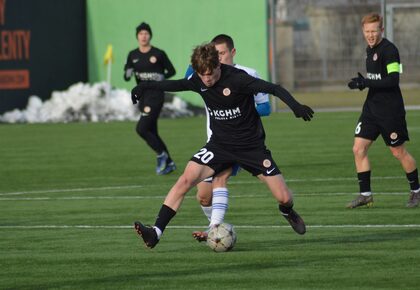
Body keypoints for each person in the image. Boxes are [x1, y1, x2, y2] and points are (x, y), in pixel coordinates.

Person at [132, 42, 314, 249]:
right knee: (185, 179)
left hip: (251, 148)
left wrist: (295, 106)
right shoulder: (198, 79)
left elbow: (274, 88)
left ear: (218, 65)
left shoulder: (238, 79)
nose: (207, 79)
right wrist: (143, 86)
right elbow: (173, 84)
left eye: (210, 73)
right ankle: (155, 232)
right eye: (202, 74)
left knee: (284, 197)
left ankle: (287, 211)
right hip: (219, 146)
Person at [185, 34, 272, 242]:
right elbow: (189, 74)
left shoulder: (248, 74)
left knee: (219, 178)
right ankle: (213, 228)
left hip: (241, 141)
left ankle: (213, 230)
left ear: (232, 52)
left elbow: (266, 107)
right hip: (215, 142)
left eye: (222, 53)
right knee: (203, 195)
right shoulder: (208, 76)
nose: (219, 57)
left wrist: (241, 113)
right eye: (215, 54)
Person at [346, 13, 420, 208]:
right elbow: (375, 79)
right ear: (363, 31)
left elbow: (393, 79)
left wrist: (366, 82)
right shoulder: (368, 50)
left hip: (390, 110)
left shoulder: (390, 50)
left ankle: (416, 191)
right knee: (358, 149)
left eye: (374, 31)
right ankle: (365, 194)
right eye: (367, 31)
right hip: (371, 109)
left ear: (382, 30)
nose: (371, 35)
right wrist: (363, 83)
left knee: (398, 152)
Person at [124, 22, 177, 175]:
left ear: (150, 35)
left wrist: (160, 80)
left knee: (141, 128)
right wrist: (127, 72)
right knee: (152, 131)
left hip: (156, 95)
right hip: (143, 96)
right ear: (137, 36)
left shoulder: (158, 53)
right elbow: (127, 76)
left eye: (146, 33)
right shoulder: (132, 55)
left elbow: (172, 70)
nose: (143, 36)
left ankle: (161, 155)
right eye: (141, 33)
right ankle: (170, 163)